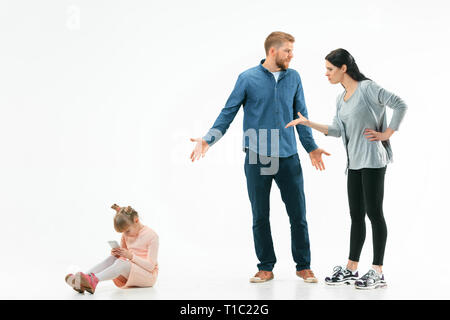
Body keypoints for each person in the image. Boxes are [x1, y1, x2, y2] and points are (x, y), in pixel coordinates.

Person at [190, 31, 330, 283]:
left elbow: (301, 115)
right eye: (288, 50)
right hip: (258, 155)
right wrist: (208, 139)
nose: (292, 55)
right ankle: (266, 266)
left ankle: (303, 266)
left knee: (298, 215)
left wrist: (311, 147)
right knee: (260, 214)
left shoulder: (294, 77)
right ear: (272, 51)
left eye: (292, 50)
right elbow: (228, 112)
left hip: (288, 155)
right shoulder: (247, 78)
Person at [286, 48, 407, 289]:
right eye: (326, 69)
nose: (326, 74)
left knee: (374, 214)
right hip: (353, 165)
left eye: (330, 69)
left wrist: (386, 134)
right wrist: (307, 122)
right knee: (356, 216)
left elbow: (400, 104)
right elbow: (337, 130)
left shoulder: (368, 88)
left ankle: (377, 271)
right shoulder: (340, 99)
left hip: (373, 161)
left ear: (344, 68)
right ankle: (352, 268)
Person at [65, 204, 159, 294]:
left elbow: (150, 266)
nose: (125, 234)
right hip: (131, 269)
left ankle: (94, 280)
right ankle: (83, 279)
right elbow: (123, 257)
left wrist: (130, 256)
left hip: (148, 276)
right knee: (113, 259)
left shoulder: (152, 236)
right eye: (123, 232)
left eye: (127, 231)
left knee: (120, 263)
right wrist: (118, 253)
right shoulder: (126, 235)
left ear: (136, 220)